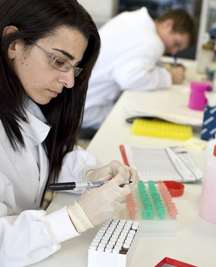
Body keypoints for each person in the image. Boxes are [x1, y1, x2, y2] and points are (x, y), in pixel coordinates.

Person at [0, 0, 138, 266]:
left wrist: (89, 174)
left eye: (73, 67)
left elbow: (37, 158)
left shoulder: (24, 100)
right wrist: (75, 219)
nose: (70, 81)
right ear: (13, 44)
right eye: (59, 61)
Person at [82, 8, 195, 132]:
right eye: (176, 44)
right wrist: (170, 77)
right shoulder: (153, 42)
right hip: (89, 110)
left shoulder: (132, 18)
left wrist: (162, 69)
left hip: (78, 97)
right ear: (168, 24)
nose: (173, 51)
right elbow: (130, 79)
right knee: (142, 121)